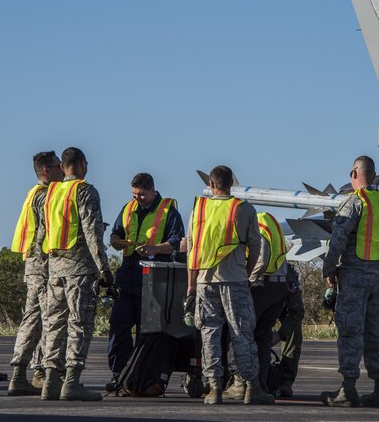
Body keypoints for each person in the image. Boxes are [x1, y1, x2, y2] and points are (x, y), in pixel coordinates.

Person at [320, 155, 379, 408]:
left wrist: (329, 269)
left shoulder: (355, 203)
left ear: (354, 174)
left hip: (354, 277)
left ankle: (347, 390)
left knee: (350, 331)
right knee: (376, 332)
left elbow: (337, 239)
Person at [186, 165, 274, 405]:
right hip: (234, 280)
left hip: (204, 280)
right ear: (232, 183)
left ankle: (214, 389)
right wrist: (246, 274)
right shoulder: (244, 209)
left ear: (211, 185)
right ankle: (251, 387)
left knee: (209, 335)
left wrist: (191, 285)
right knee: (242, 334)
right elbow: (256, 246)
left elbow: (191, 249)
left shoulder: (199, 209)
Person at [39, 147, 113, 402]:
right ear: (83, 164)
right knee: (80, 324)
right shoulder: (85, 191)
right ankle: (72, 381)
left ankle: (51, 379)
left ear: (62, 167)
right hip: (80, 269)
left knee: (55, 325)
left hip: (54, 270)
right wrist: (104, 269)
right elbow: (93, 233)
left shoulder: (51, 193)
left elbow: (42, 235)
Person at [105, 173, 184, 390]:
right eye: (134, 194)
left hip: (154, 277)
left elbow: (176, 242)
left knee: (146, 330)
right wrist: (117, 242)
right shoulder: (128, 208)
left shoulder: (169, 211)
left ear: (152, 191)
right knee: (119, 325)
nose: (137, 199)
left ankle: (139, 376)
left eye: (141, 195)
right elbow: (115, 234)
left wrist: (155, 249)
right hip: (128, 273)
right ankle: (119, 375)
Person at [7, 151, 64, 396]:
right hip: (44, 267)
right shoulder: (45, 197)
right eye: (57, 166)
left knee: (31, 320)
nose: (62, 170)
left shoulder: (33, 194)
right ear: (46, 171)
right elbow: (47, 233)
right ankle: (43, 374)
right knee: (50, 321)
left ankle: (19, 374)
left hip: (33, 266)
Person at [223, 212, 290, 399]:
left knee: (240, 332)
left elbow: (261, 257)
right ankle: (260, 386)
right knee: (262, 336)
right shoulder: (270, 222)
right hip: (278, 285)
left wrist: (248, 282)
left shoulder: (256, 226)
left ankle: (240, 386)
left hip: (261, 285)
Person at [272, 263, 304, 397]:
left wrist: (280, 335)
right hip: (252, 309)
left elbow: (297, 312)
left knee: (294, 332)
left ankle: (285, 381)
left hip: (278, 306)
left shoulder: (287, 274)